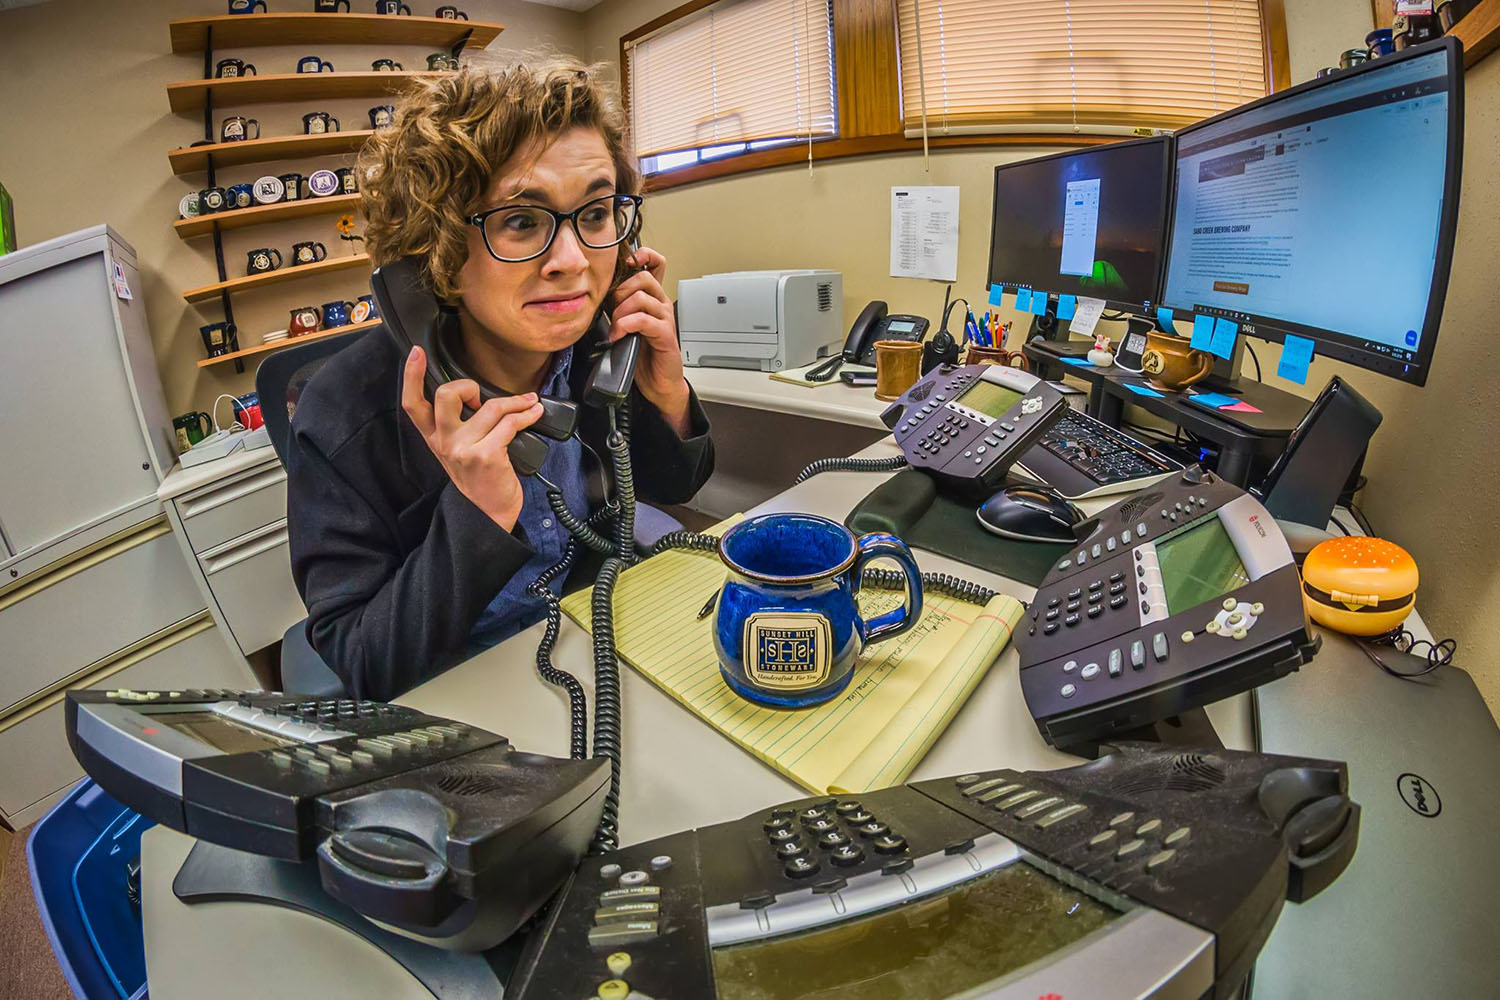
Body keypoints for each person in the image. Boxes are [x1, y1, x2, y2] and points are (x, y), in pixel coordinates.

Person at [285, 57, 715, 700]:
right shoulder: (340, 417)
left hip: (596, 628)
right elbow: (365, 663)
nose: (572, 263)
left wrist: (667, 395)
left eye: (596, 215)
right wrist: (478, 513)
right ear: (436, 254)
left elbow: (674, 483)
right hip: (462, 680)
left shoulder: (602, 339)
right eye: (520, 221)